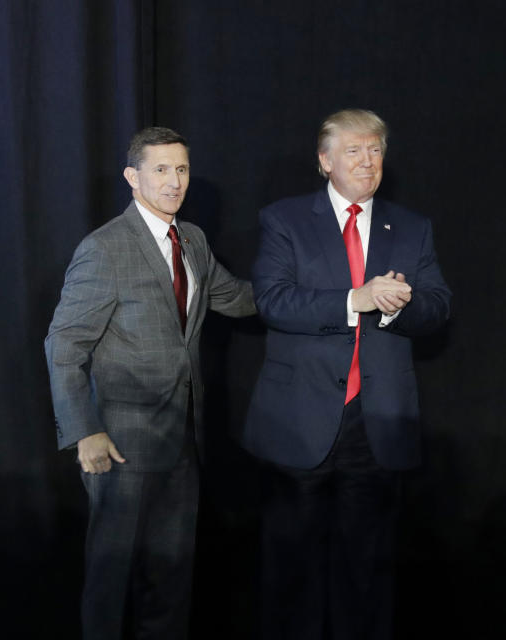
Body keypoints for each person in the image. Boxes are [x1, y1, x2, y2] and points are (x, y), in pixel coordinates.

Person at [243, 109, 452, 639]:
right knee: (292, 570)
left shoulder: (411, 227)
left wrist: (393, 306)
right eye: (354, 151)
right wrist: (355, 299)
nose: (367, 161)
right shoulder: (283, 220)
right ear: (324, 161)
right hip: (299, 420)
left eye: (375, 150)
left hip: (376, 423)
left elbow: (438, 307)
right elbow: (273, 301)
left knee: (367, 569)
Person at [45, 126, 255, 640]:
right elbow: (64, 344)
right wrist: (84, 431)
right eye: (161, 169)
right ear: (132, 176)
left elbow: (239, 298)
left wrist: (337, 295)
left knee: (171, 575)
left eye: (181, 169)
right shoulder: (105, 248)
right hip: (118, 443)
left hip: (183, 438)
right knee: (111, 576)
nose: (174, 181)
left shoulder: (194, 240)